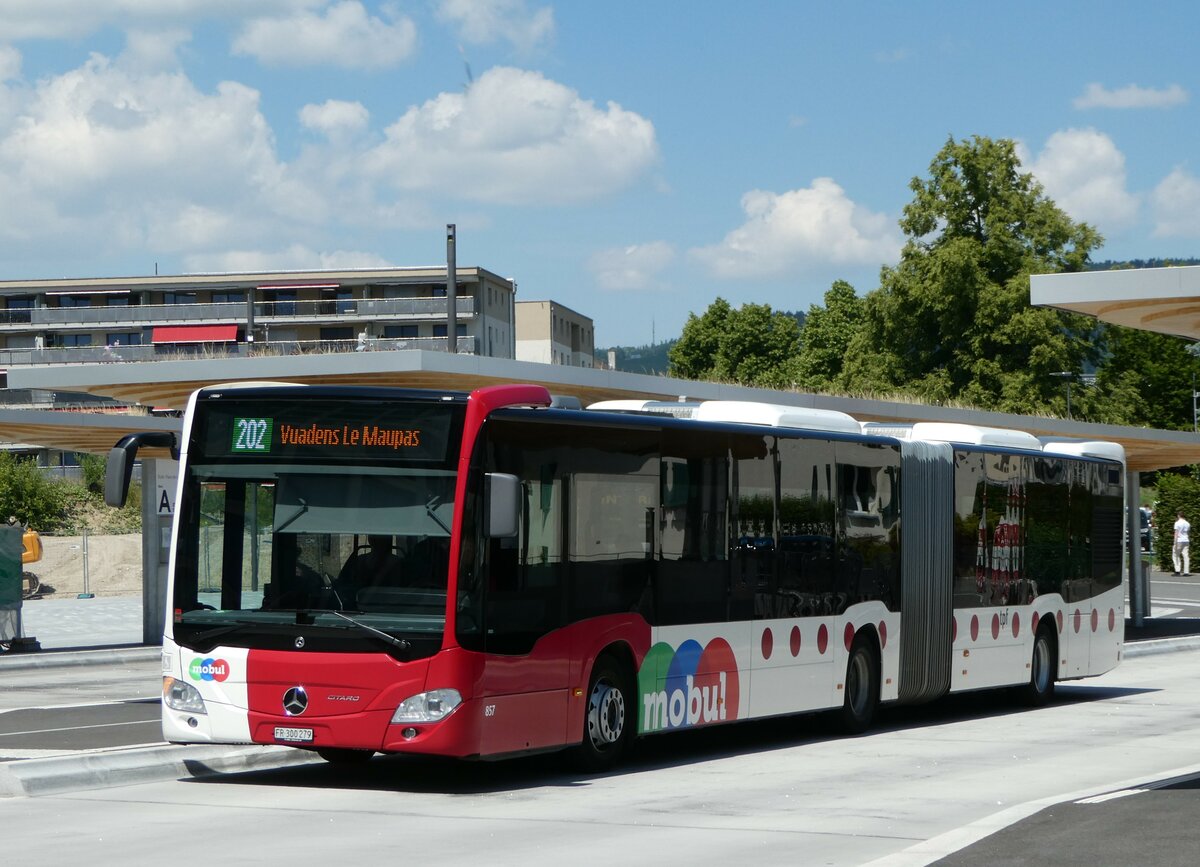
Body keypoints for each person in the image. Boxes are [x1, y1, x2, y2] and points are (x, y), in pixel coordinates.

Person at [337, 535, 403, 594]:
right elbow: (341, 586)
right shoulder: (357, 561)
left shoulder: (400, 564)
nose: (378, 540)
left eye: (381, 537)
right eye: (374, 536)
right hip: (357, 606)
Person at [1173, 511, 1190, 576]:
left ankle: (1177, 570)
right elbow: (1188, 533)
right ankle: (1186, 572)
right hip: (1186, 540)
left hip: (1179, 540)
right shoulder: (1187, 523)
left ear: (1178, 516)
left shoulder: (1177, 523)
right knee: (1186, 556)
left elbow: (1176, 533)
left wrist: (1175, 542)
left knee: (1176, 555)